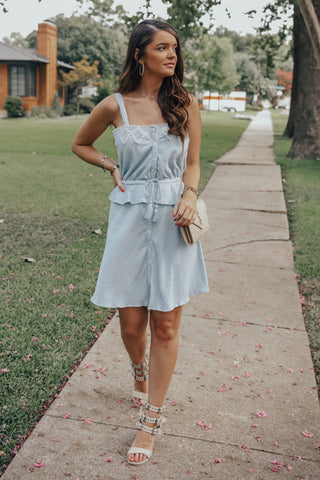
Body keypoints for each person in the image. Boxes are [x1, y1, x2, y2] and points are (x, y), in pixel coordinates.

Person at [72, 18, 209, 466]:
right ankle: (138, 367)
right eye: (162, 48)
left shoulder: (185, 103)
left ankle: (151, 420)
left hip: (174, 219)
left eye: (175, 48)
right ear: (139, 54)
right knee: (131, 325)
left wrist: (190, 194)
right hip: (129, 219)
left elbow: (193, 163)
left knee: (165, 325)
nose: (172, 55)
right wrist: (111, 165)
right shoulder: (115, 105)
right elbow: (81, 144)